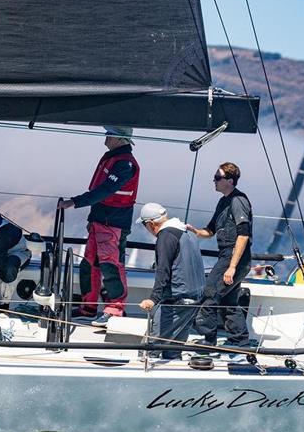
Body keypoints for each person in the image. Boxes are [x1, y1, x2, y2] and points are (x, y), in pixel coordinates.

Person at [58, 126, 140, 327]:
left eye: (109, 134)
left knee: (111, 265)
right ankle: (89, 307)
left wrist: (74, 202)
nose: (106, 138)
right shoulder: (115, 158)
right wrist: (91, 218)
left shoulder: (125, 164)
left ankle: (115, 310)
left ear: (120, 139)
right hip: (99, 220)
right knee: (89, 264)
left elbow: (105, 190)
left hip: (113, 222)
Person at [186, 162, 253, 347]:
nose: (214, 181)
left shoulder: (238, 201)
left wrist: (232, 267)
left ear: (229, 181)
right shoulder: (223, 201)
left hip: (234, 258)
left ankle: (208, 342)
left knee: (210, 294)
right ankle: (240, 342)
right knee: (228, 300)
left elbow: (243, 235)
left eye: (218, 178)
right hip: (227, 255)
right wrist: (194, 231)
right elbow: (210, 231)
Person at [137, 203, 205, 359]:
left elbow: (163, 270)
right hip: (195, 298)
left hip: (177, 301)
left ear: (151, 224)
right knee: (173, 350)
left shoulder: (166, 236)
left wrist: (153, 299)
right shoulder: (187, 231)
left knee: (148, 350)